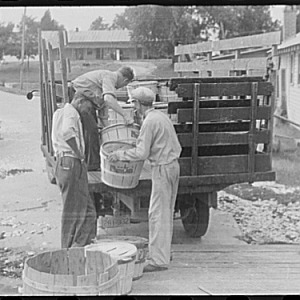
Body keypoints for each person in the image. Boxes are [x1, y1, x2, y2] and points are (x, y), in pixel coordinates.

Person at [108, 87, 182, 272]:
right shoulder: (160, 116)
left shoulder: (149, 122)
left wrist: (120, 154)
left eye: (134, 103)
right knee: (166, 212)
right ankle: (163, 252)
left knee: (157, 214)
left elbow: (141, 153)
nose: (133, 106)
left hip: (162, 168)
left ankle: (158, 260)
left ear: (139, 104)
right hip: (173, 165)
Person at [51, 93, 97, 248]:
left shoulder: (60, 112)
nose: (87, 111)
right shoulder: (71, 112)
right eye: (88, 107)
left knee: (87, 210)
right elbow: (67, 133)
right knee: (75, 211)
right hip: (71, 161)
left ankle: (81, 246)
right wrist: (79, 154)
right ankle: (69, 250)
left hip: (63, 162)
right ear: (80, 101)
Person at [71, 66, 135, 171]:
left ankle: (92, 161)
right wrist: (125, 115)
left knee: (96, 131)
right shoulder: (110, 77)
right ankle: (91, 165)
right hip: (80, 98)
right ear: (125, 80)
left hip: (87, 101)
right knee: (92, 132)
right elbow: (109, 99)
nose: (122, 86)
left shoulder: (105, 87)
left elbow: (104, 116)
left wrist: (112, 136)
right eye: (125, 84)